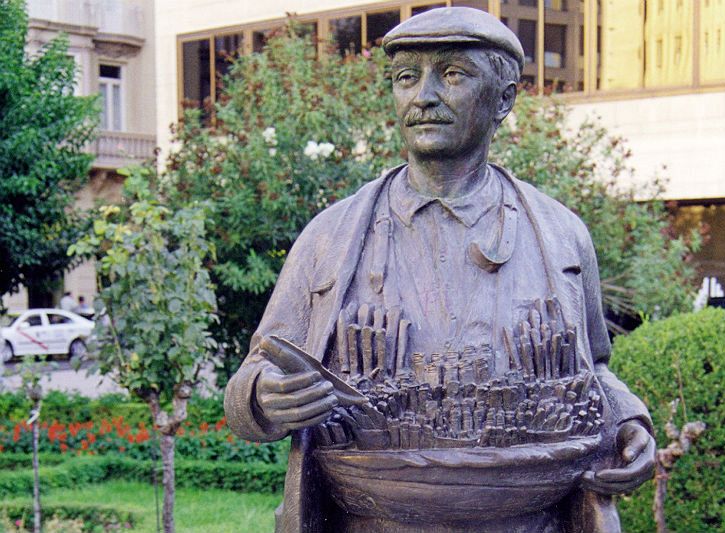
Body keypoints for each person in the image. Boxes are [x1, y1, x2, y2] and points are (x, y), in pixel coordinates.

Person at [225, 8, 654, 532]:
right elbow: (258, 368)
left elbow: (594, 370)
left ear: (504, 99)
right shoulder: (330, 236)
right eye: (407, 78)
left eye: (452, 75)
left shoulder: (560, 234)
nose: (423, 96)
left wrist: (627, 422)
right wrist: (264, 398)